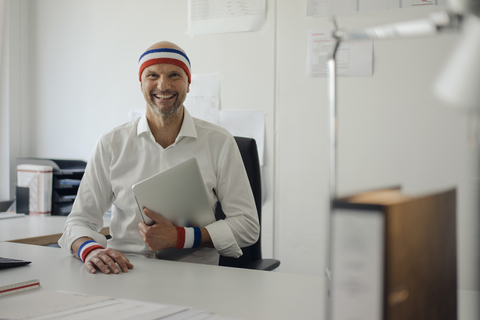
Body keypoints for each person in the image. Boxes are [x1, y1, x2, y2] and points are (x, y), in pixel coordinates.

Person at [58, 41, 260, 274]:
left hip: (195, 277)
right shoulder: (111, 143)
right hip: (124, 271)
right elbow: (78, 221)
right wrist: (90, 250)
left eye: (174, 75)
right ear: (141, 83)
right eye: (152, 75)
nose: (163, 85)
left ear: (188, 83)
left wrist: (181, 237)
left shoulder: (219, 142)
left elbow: (247, 226)